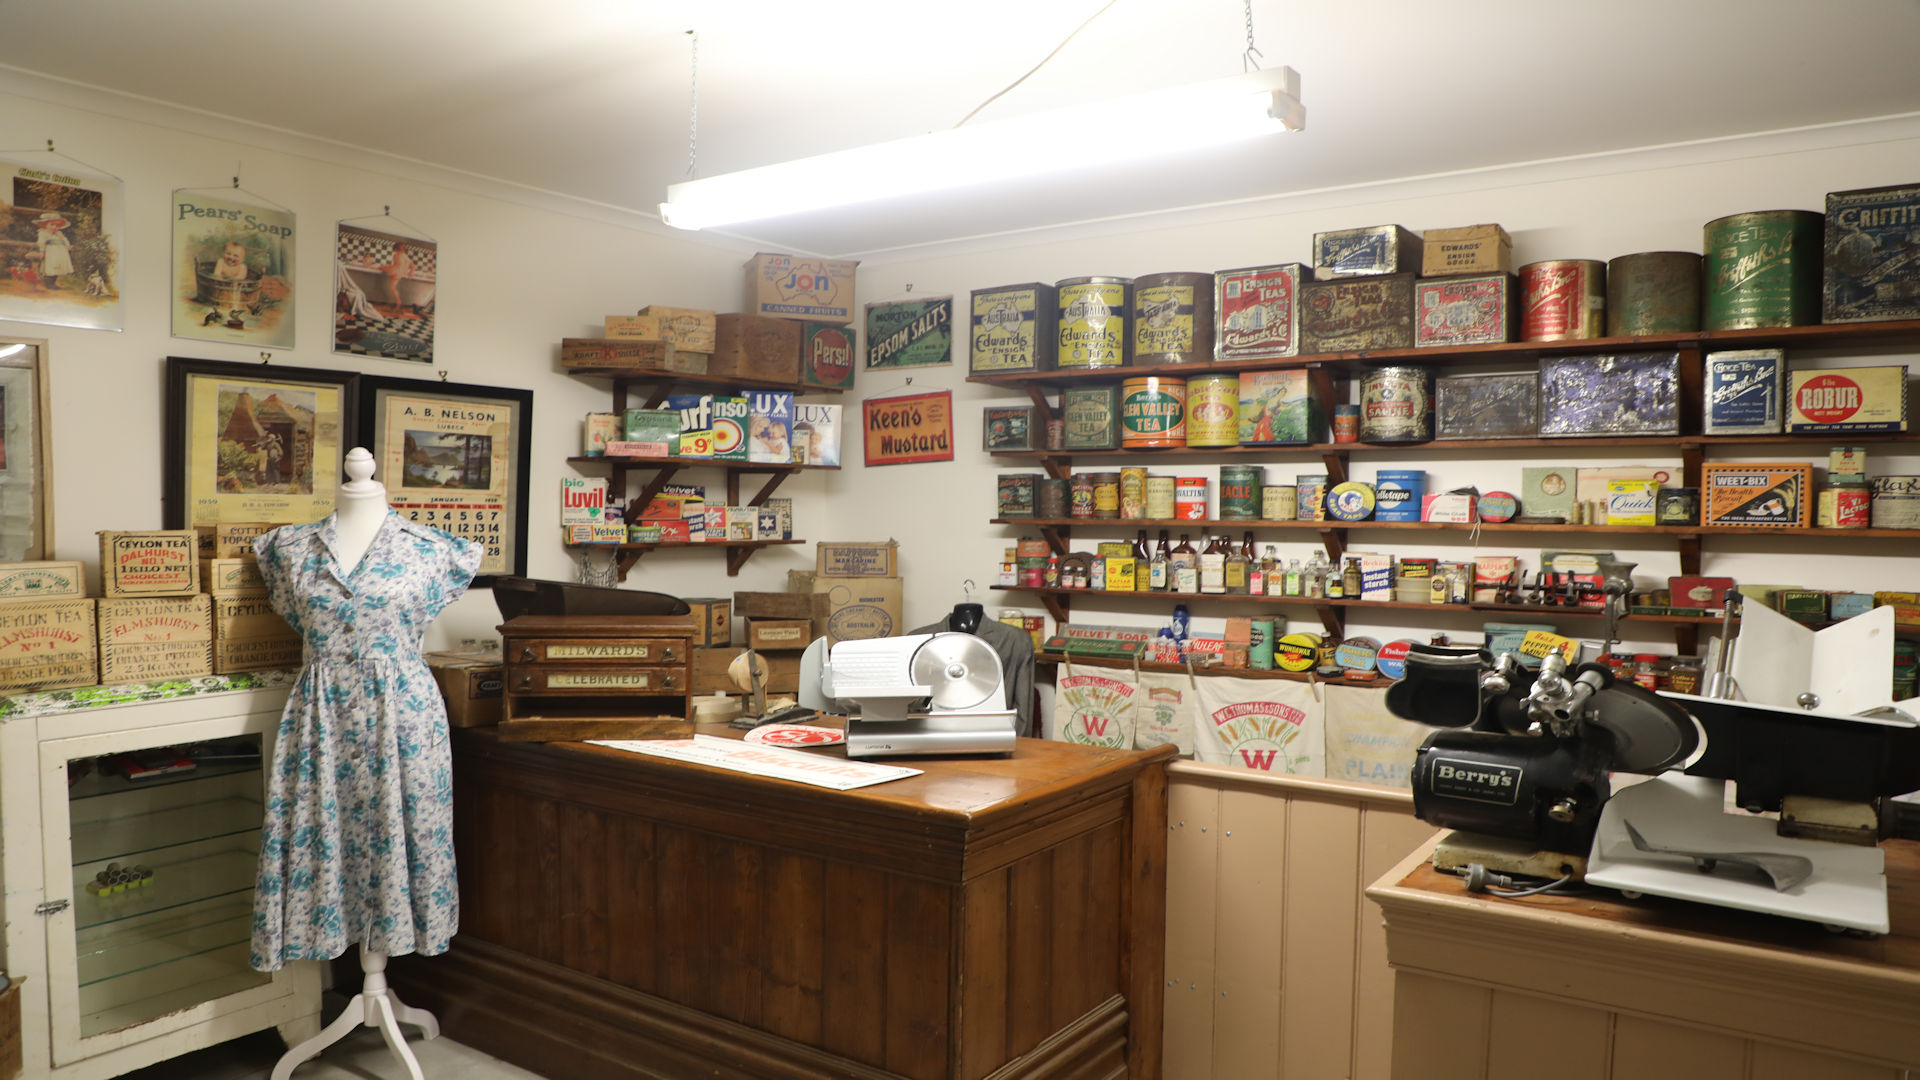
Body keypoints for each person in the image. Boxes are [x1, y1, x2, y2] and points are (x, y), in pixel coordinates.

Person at [34, 211, 73, 290]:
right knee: (50, 268)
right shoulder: (43, 233)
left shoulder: (59, 233)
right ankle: (48, 284)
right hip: (50, 254)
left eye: (57, 225)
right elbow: (41, 243)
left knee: (57, 269)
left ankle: (53, 283)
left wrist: (64, 240)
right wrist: (42, 251)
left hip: (59, 254)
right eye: (52, 225)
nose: (54, 227)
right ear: (45, 225)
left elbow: (66, 242)